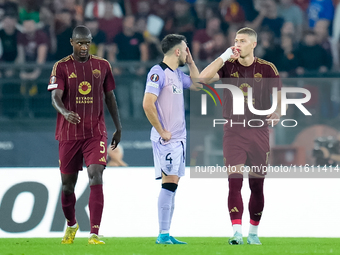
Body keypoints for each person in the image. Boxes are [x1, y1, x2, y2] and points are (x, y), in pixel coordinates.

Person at [199, 27, 283, 245]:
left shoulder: (267, 68)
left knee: (257, 186)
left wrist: (278, 111)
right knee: (234, 182)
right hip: (234, 130)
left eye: (242, 41)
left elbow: (279, 95)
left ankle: (253, 233)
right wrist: (224, 55)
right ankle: (237, 231)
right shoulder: (227, 66)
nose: (237, 44)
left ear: (253, 44)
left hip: (259, 131)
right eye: (236, 40)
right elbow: (202, 80)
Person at [47, 25, 122, 245]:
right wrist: (65, 112)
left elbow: (110, 98)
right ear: (72, 42)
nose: (84, 47)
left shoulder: (102, 65)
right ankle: (71, 224)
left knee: (96, 174)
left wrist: (118, 127)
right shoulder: (60, 67)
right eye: (80, 43)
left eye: (87, 43)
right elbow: (55, 98)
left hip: (95, 132)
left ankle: (94, 233)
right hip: (69, 133)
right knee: (67, 186)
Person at [143, 34, 200, 244]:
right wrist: (162, 130)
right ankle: (162, 234)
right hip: (166, 139)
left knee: (173, 184)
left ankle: (166, 233)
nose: (187, 53)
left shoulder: (177, 74)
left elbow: (198, 84)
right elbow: (147, 104)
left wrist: (192, 63)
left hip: (179, 139)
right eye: (186, 50)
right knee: (169, 184)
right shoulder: (158, 73)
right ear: (177, 51)